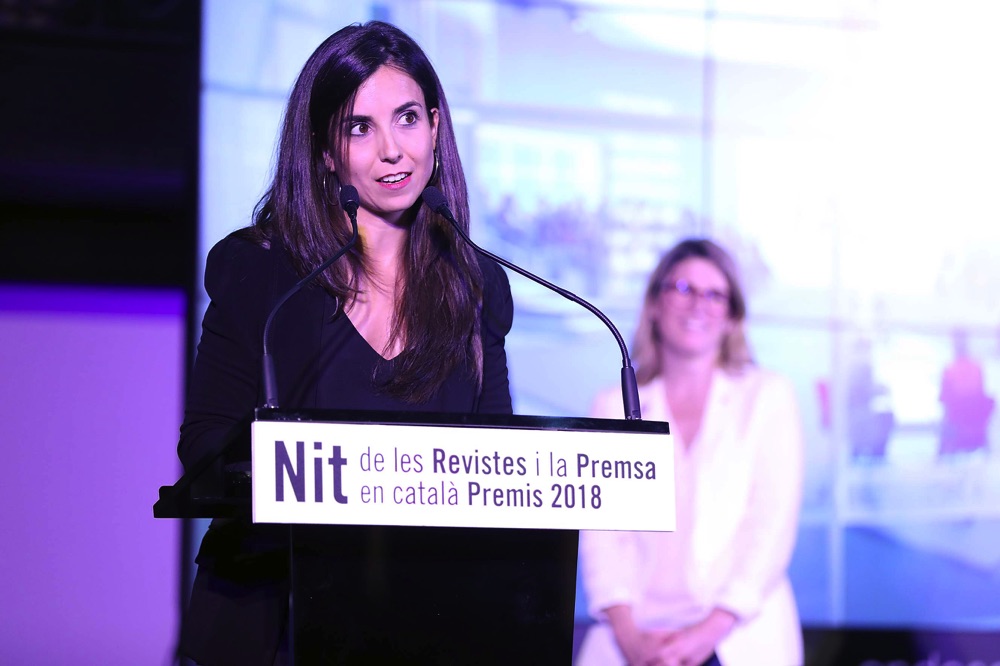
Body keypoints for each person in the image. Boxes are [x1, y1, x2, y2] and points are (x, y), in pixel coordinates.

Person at [176, 21, 518, 665]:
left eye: (407, 118)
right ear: (326, 153)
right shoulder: (261, 271)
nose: (392, 151)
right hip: (275, 621)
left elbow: (497, 464)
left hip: (425, 625)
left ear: (436, 128)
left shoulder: (475, 284)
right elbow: (204, 445)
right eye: (360, 128)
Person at [576, 239, 805, 666]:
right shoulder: (611, 405)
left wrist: (705, 635)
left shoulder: (768, 397)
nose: (698, 304)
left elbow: (771, 526)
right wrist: (630, 639)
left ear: (732, 317)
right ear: (654, 304)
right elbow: (601, 539)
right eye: (683, 288)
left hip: (737, 637)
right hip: (634, 640)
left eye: (715, 294)